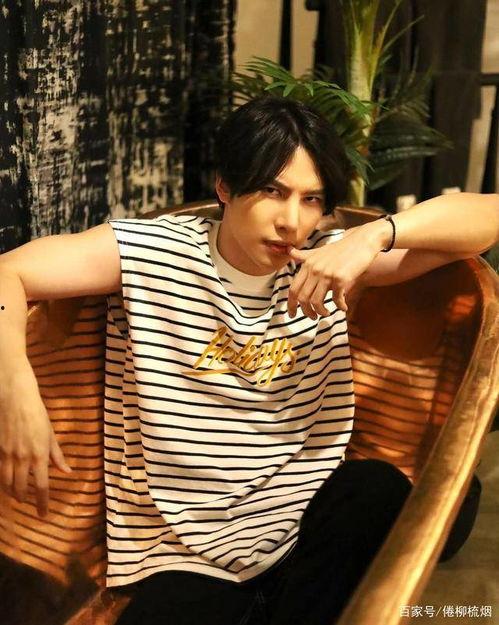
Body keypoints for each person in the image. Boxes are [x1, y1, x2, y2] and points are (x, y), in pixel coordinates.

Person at [0, 95, 497, 625]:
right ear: (225, 186)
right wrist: (16, 389)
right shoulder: (153, 253)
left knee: (377, 490)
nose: (291, 221)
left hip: (303, 533)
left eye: (311, 199)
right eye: (272, 191)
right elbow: (10, 271)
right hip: (183, 559)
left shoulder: (328, 263)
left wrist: (373, 235)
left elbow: (489, 216)